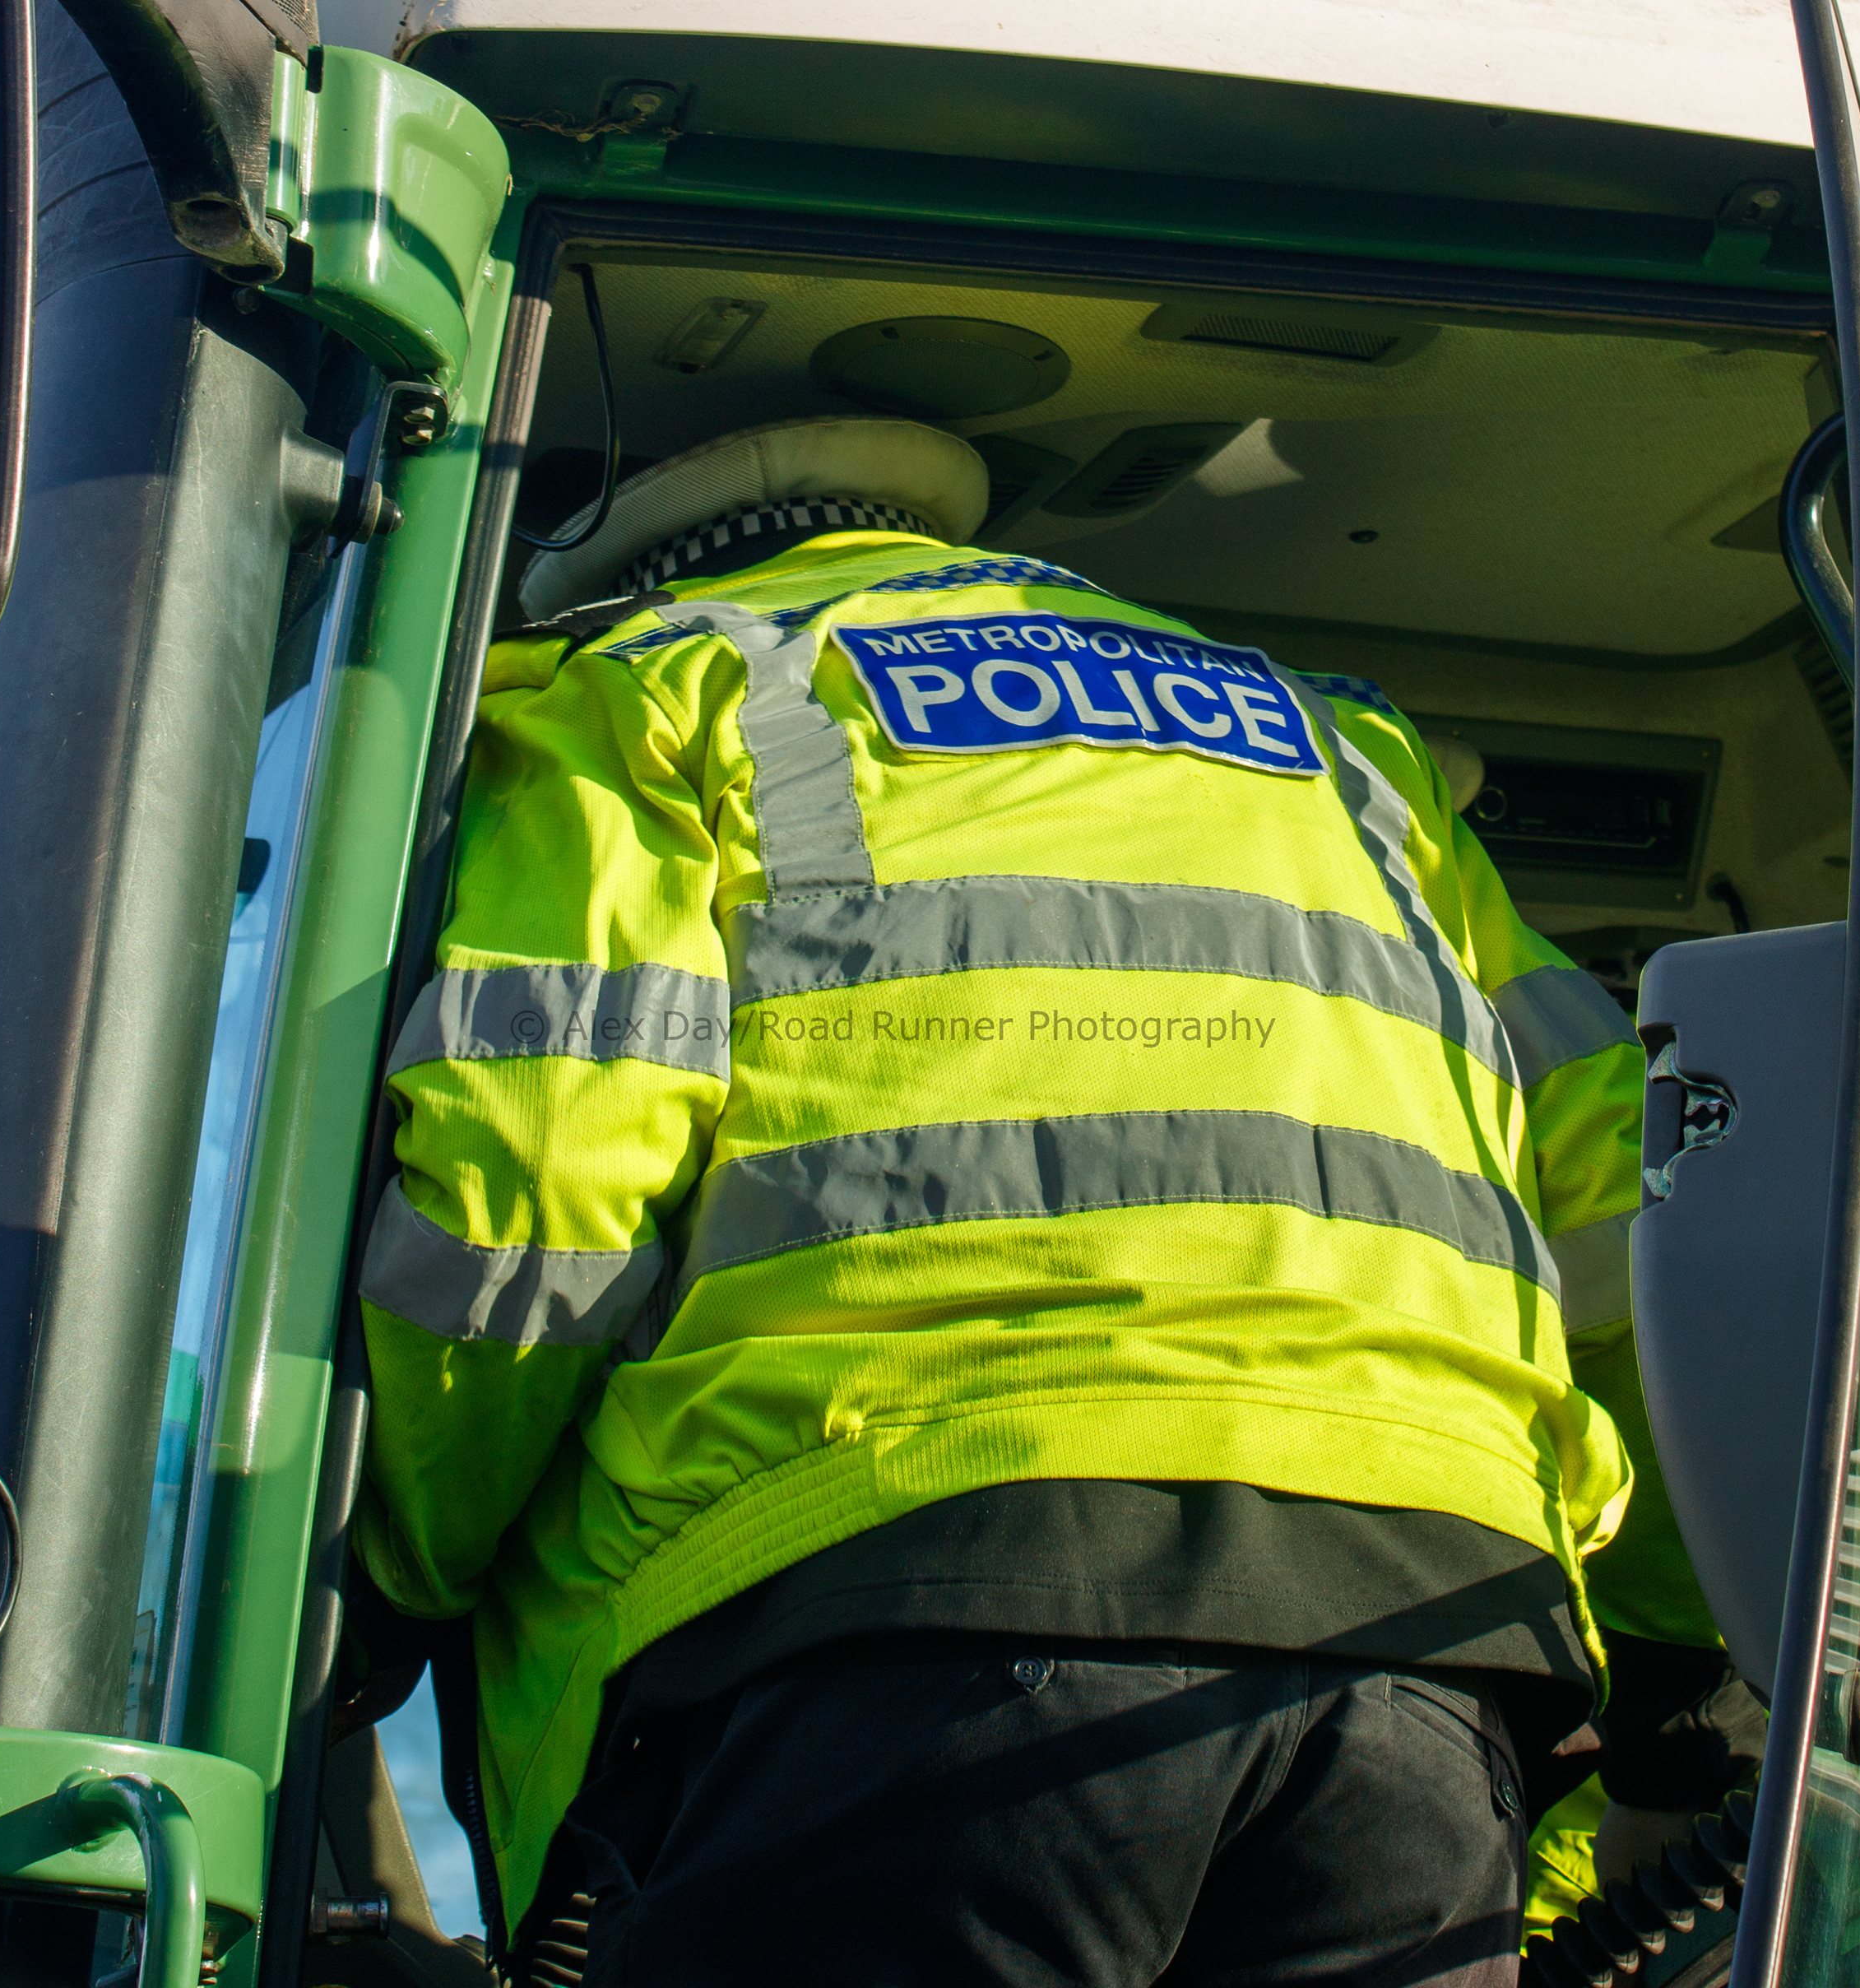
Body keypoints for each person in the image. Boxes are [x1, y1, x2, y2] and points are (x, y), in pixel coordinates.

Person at [353, 412, 1724, 1985]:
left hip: (900, 1611)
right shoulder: (1351, 757)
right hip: (1427, 1653)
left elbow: (533, 1193)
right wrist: (1688, 1690)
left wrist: (397, 1573)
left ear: (604, 572)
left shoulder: (652, 690)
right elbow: (1639, 1202)